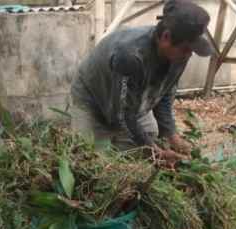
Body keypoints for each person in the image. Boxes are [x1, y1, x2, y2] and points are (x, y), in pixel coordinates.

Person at [69, 0, 214, 164]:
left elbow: (164, 94)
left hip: (129, 101)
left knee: (147, 139)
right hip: (93, 99)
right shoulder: (131, 56)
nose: (189, 55)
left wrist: (172, 136)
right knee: (90, 161)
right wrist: (154, 151)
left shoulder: (178, 56)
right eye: (186, 49)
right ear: (166, 37)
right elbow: (122, 114)